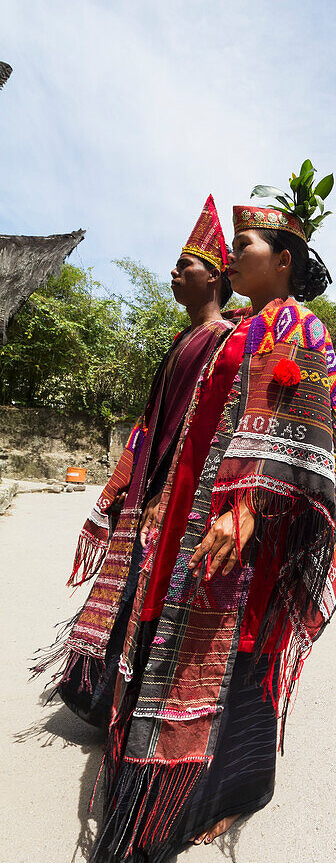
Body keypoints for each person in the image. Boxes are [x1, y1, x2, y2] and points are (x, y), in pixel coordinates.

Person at [41, 170, 336, 863]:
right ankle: (173, 781)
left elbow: (295, 430)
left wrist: (246, 509)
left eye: (243, 247)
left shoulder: (298, 327)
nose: (232, 259)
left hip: (243, 525)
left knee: (231, 653)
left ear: (284, 261)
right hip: (191, 513)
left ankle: (226, 789)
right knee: (185, 644)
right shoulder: (244, 327)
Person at [34, 196, 235, 727]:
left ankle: (144, 704)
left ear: (214, 278)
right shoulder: (183, 340)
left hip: (184, 491)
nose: (173, 271)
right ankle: (106, 695)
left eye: (185, 265)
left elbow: (200, 431)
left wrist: (166, 494)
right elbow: (155, 423)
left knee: (160, 593)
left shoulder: (225, 342)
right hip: (151, 485)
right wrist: (132, 483)